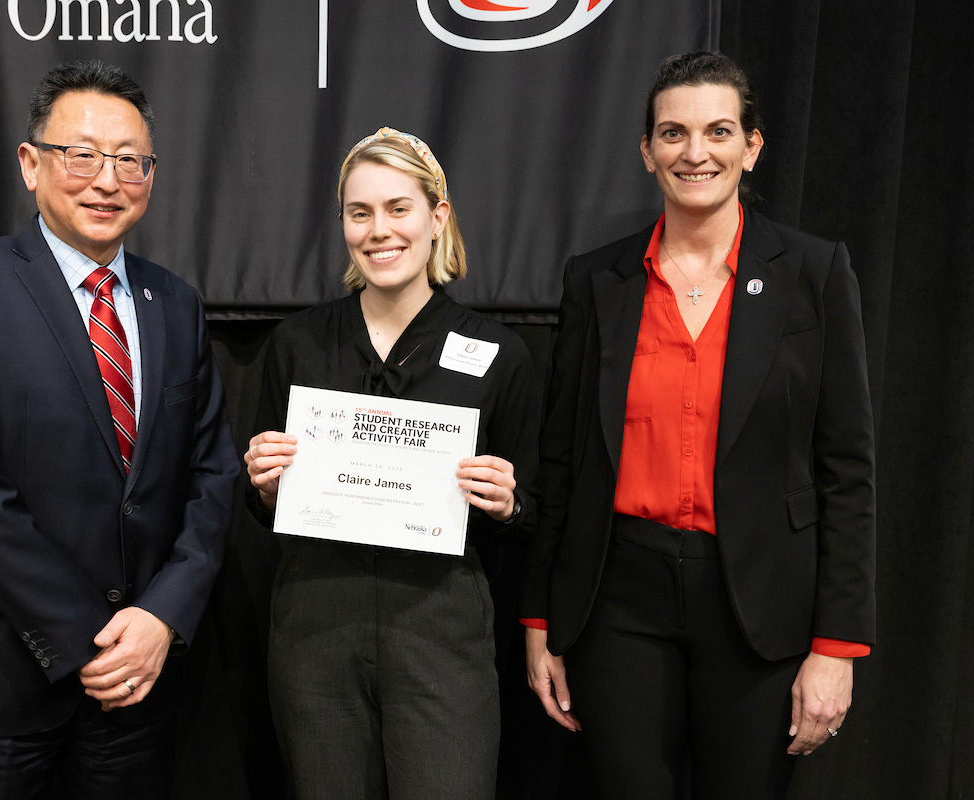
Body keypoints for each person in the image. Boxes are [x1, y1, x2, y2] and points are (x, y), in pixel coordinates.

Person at [522, 51, 876, 799]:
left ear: (752, 147)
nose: (695, 152)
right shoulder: (597, 280)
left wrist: (837, 647)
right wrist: (539, 618)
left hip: (759, 605)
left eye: (718, 131)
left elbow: (848, 470)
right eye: (673, 134)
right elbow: (563, 461)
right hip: (618, 600)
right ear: (647, 152)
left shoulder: (814, 273)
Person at [0, 60, 239, 799]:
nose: (106, 179)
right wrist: (86, 635)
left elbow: (213, 475)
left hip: (138, 685)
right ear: (31, 164)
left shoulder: (174, 304)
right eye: (80, 154)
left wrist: (162, 616)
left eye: (130, 160)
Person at [244, 127, 538, 800]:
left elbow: (535, 513)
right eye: (360, 212)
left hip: (439, 631)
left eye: (398, 208)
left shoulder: (498, 353)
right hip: (315, 630)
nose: (380, 230)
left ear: (437, 218)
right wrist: (263, 485)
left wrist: (508, 501)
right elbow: (260, 510)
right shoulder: (298, 344)